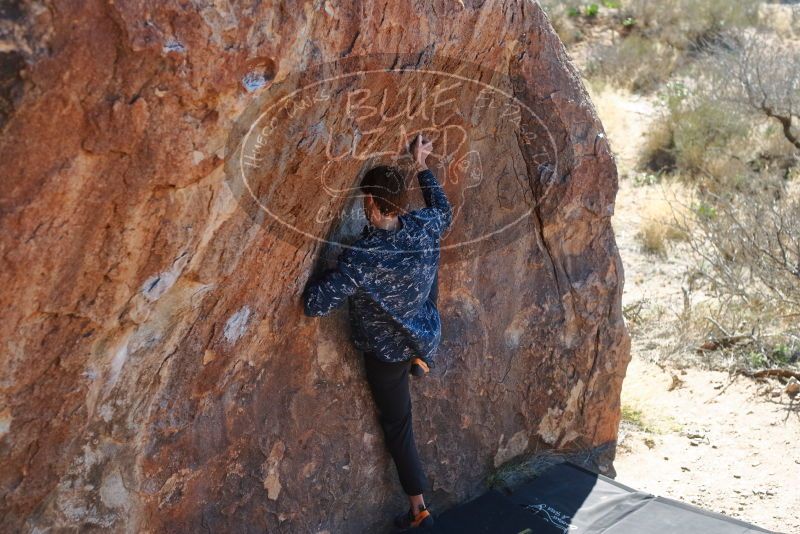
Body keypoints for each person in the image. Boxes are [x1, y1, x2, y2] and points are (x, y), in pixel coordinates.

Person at [302, 134, 452, 530]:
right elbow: (443, 208)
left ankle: (419, 509)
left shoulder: (363, 257)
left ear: (370, 203)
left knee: (399, 426)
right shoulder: (423, 225)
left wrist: (332, 269)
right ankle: (424, 357)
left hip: (386, 353)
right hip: (424, 329)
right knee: (429, 269)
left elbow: (314, 304)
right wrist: (421, 165)